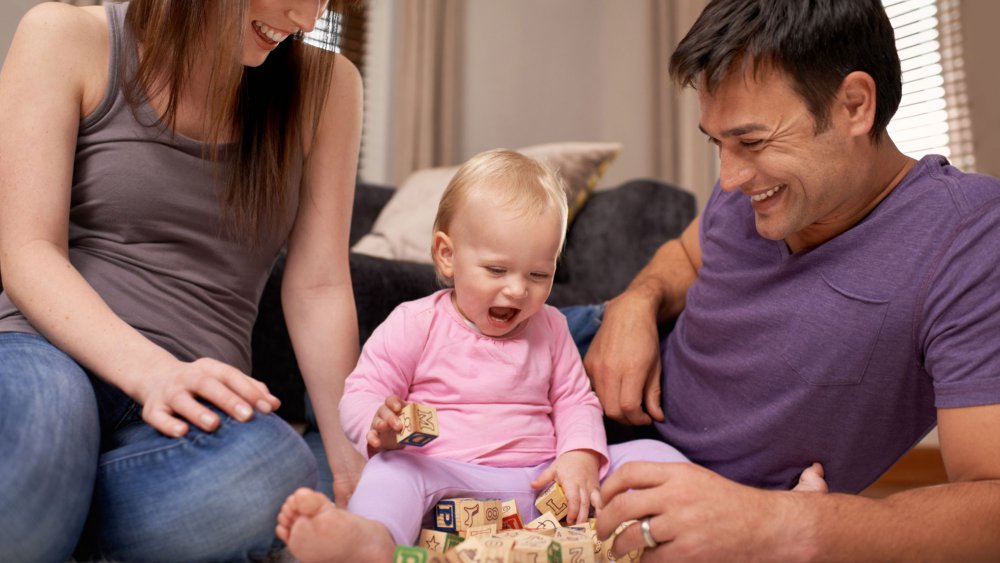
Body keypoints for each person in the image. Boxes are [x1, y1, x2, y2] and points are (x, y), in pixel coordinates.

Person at [580, 0, 1000, 560]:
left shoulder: (969, 236)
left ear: (854, 105)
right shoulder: (758, 188)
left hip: (669, 486)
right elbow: (685, 254)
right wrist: (636, 301)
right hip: (585, 386)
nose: (728, 180)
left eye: (751, 143)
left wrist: (782, 524)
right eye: (718, 143)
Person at [0, 1, 366, 560]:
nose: (307, 16)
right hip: (47, 354)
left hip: (191, 401)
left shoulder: (328, 85)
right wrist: (153, 373)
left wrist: (352, 462)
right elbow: (29, 251)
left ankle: (51, 515)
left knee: (274, 466)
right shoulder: (65, 35)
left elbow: (318, 285)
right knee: (53, 414)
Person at [275, 149, 693, 561]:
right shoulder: (415, 323)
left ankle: (686, 521)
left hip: (543, 479)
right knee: (393, 472)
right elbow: (362, 390)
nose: (517, 290)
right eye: (497, 270)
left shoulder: (551, 326)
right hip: (451, 475)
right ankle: (370, 540)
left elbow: (574, 399)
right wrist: (376, 425)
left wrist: (579, 456)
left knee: (650, 457)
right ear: (447, 255)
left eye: (538, 274)